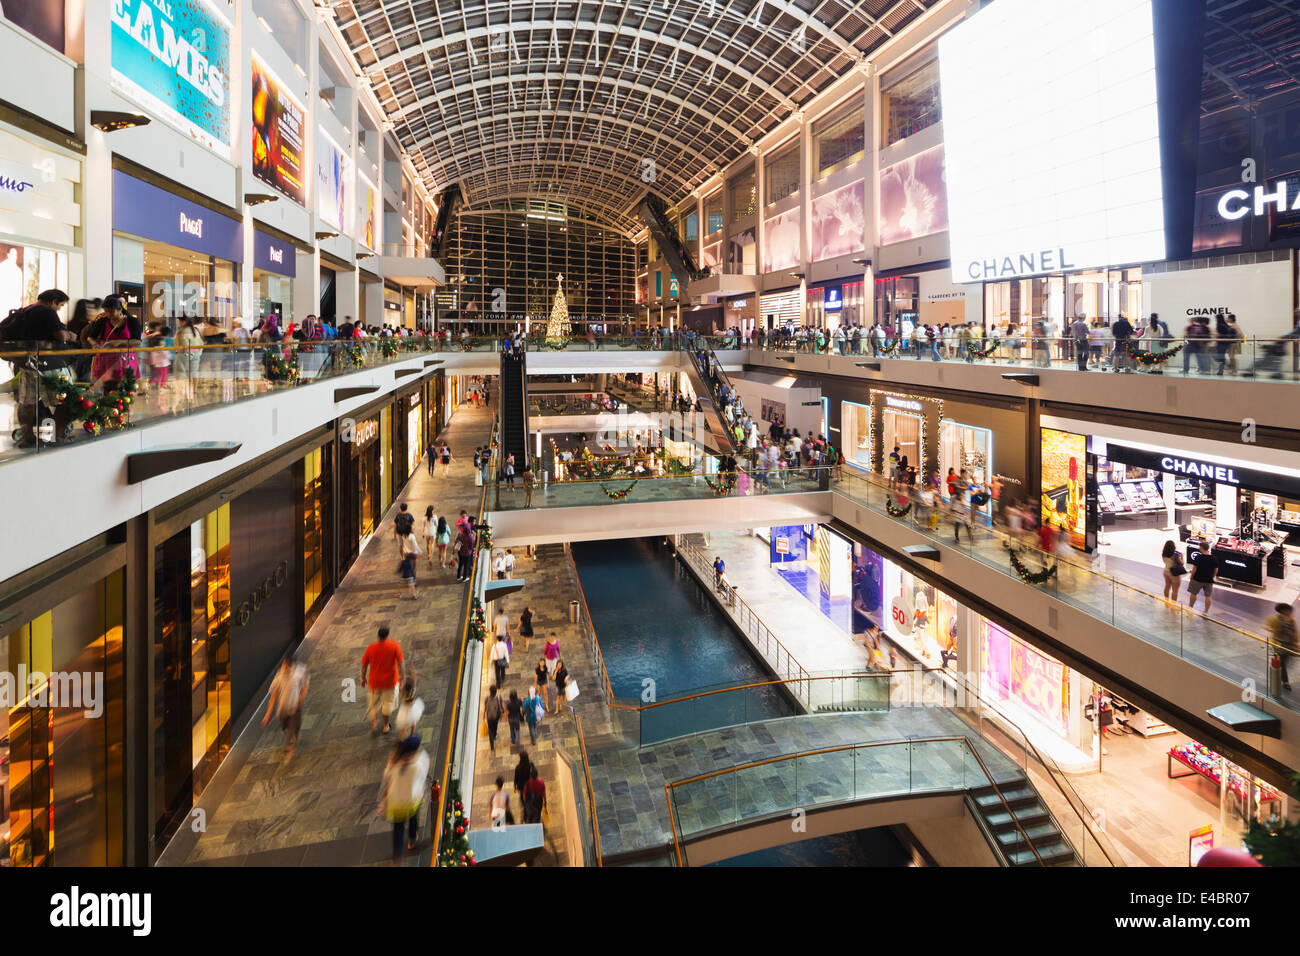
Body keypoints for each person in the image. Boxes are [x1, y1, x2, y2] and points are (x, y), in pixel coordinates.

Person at [378, 733, 429, 864]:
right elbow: (423, 778)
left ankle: (398, 858)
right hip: (412, 800)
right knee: (413, 819)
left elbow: (387, 778)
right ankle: (412, 839)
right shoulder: (420, 762)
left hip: (396, 803)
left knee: (398, 830)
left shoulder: (394, 764)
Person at [261, 652, 309, 757]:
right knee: (285, 725)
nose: (286, 668)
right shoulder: (279, 677)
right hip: (282, 708)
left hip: (295, 705)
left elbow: (305, 684)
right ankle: (292, 737)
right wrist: (268, 713)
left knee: (293, 725)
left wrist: (301, 699)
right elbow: (274, 695)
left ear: (292, 665)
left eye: (288, 666)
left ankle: (291, 741)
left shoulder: (299, 672)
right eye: (285, 665)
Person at [361, 626, 405, 735]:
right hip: (390, 682)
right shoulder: (394, 646)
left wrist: (363, 678)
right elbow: (401, 663)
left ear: (378, 636)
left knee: (373, 703)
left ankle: (375, 721)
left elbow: (364, 665)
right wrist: (403, 677)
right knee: (387, 704)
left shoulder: (371, 648)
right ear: (388, 635)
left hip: (374, 682)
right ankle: (386, 726)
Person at [1266, 604, 1299, 691]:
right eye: (1288, 610)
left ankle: (1281, 678)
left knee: (1285, 663)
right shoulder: (1275, 618)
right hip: (1278, 645)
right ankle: (1285, 682)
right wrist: (1271, 629)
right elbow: (1266, 626)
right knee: (1282, 663)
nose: (1290, 612)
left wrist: (1296, 643)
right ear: (1282, 611)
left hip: (1289, 645)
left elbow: (1295, 632)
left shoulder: (1292, 621)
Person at [1187, 541, 1217, 613]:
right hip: (1208, 580)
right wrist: (1212, 576)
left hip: (1197, 579)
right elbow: (1216, 570)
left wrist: (1191, 577)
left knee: (1193, 593)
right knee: (1208, 596)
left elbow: (1194, 569)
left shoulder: (1199, 557)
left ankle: (1190, 608)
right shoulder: (1214, 558)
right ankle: (1206, 612)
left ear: (1201, 548)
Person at [396, 523, 420, 599]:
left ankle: (399, 594)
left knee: (400, 584)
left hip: (404, 576)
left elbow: (400, 569)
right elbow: (415, 546)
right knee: (411, 584)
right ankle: (414, 594)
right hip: (413, 553)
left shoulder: (403, 536)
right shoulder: (411, 536)